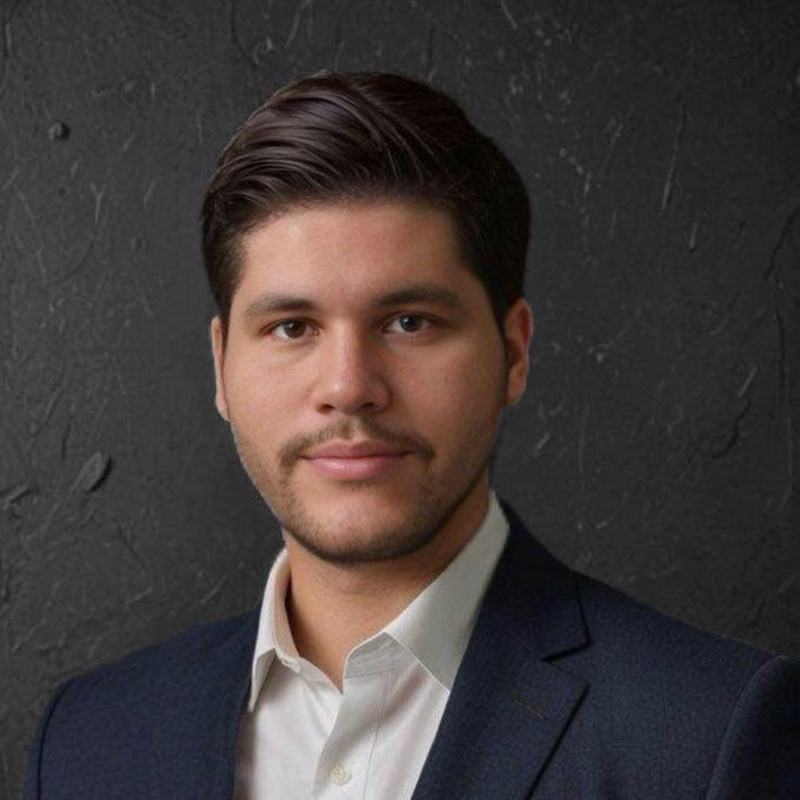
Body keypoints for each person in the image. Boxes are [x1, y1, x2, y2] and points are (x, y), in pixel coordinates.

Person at [23, 70, 799, 800]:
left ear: (514, 353)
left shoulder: (709, 736)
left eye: (409, 322)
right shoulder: (91, 741)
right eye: (292, 326)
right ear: (222, 366)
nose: (348, 385)